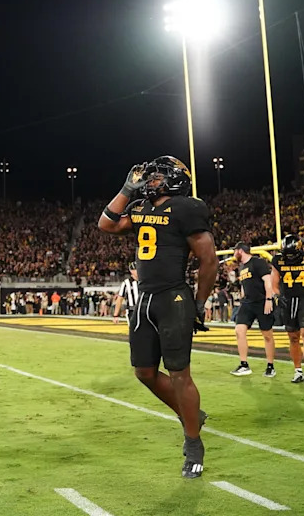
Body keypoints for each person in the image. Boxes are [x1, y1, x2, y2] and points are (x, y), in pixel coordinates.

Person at [98, 156, 217, 479]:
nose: (149, 182)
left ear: (175, 179)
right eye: (149, 178)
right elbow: (106, 224)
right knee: (144, 372)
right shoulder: (138, 206)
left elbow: (209, 260)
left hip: (173, 297)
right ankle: (190, 413)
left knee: (180, 374)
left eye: (156, 177)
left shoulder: (188, 208)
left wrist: (199, 302)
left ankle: (193, 442)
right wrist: (125, 189)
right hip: (145, 300)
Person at [271, 234, 304, 385]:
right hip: (288, 300)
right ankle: (298, 371)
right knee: (293, 337)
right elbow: (274, 282)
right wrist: (277, 295)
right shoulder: (278, 260)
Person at [229, 242, 277, 378]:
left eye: (235, 251)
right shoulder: (242, 267)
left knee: (267, 334)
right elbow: (244, 286)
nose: (233, 254)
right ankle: (244, 364)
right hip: (248, 303)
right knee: (239, 330)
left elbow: (268, 281)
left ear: (240, 251)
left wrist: (269, 299)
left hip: (262, 301)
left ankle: (270, 365)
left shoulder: (258, 262)